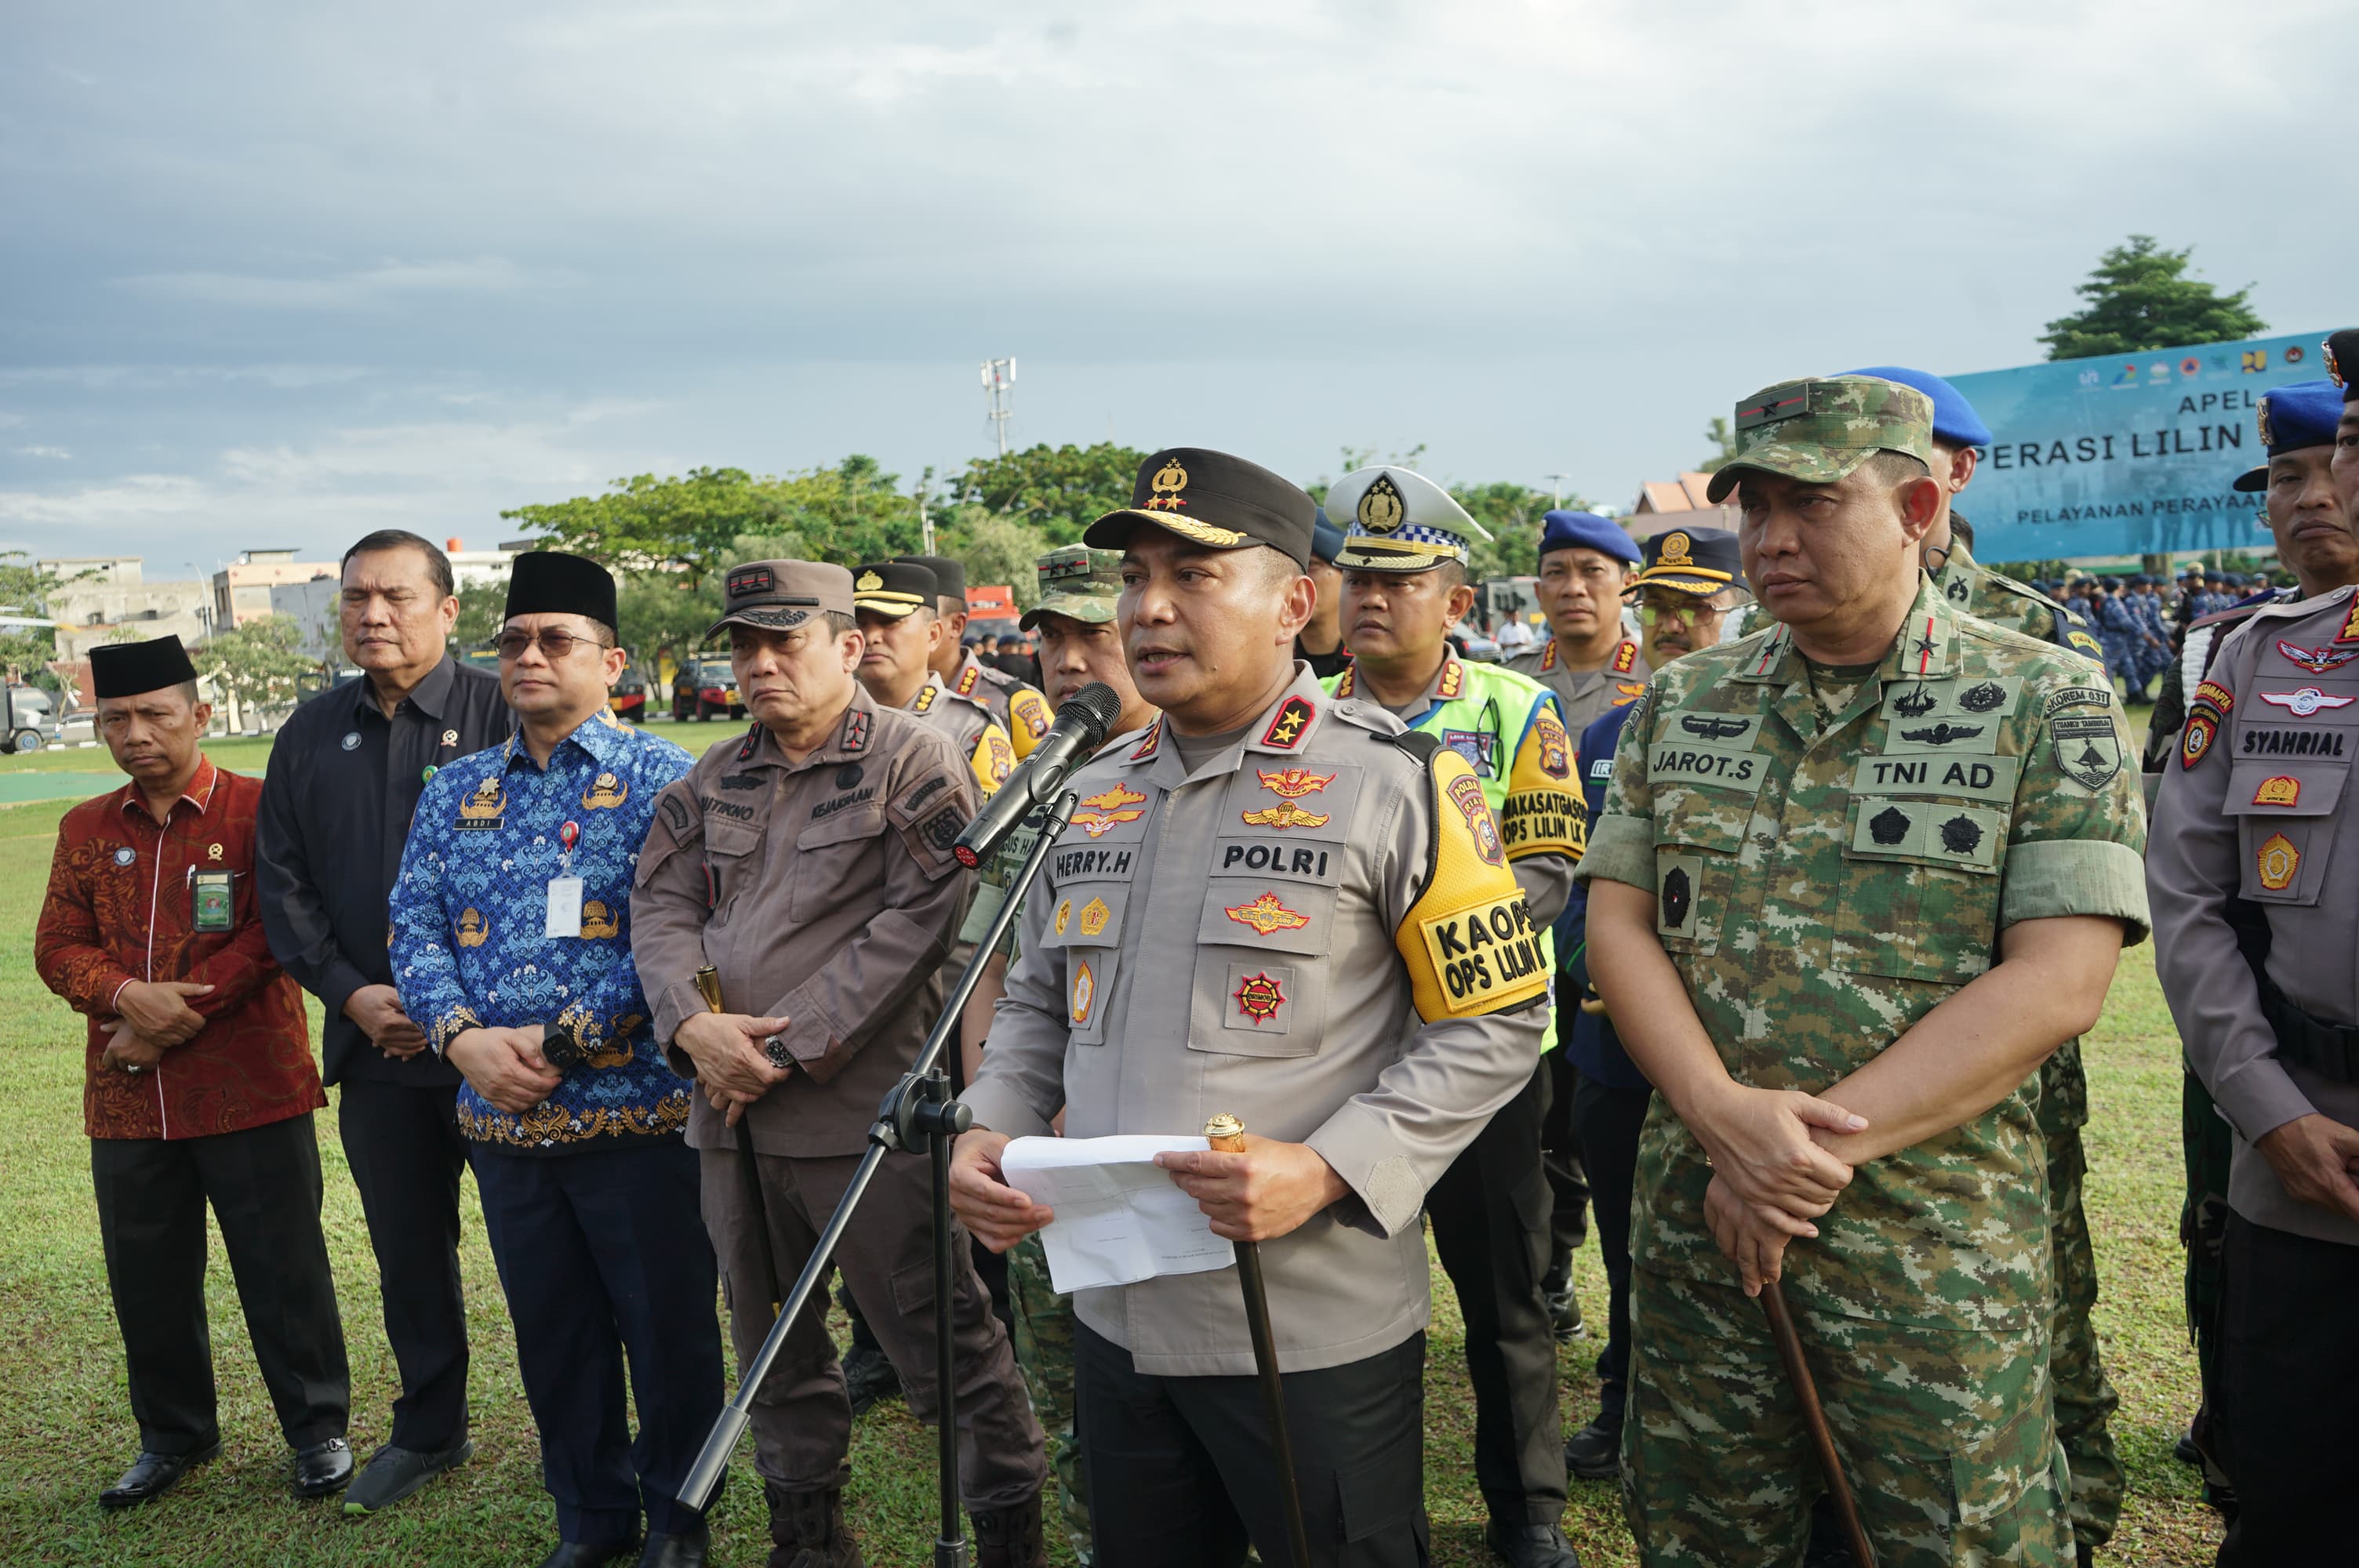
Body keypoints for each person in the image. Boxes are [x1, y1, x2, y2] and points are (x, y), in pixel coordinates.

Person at [949, 446, 1553, 1568]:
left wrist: (1328, 1168)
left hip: (1304, 1321)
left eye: (1194, 576)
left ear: (1296, 603)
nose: (1150, 608)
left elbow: (1495, 1021)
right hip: (1114, 1305)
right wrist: (992, 1121)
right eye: (1135, 577)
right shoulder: (1093, 790)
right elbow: (1039, 996)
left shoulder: (1401, 782)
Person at [1579, 376, 2148, 1566]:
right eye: (1757, 508)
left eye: (1815, 505)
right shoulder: (1681, 703)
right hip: (1705, 1228)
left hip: (1931, 1245)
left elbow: (2058, 980)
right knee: (1707, 1530)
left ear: (1919, 504)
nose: (1774, 540)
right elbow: (1620, 928)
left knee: (1952, 1537)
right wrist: (1722, 1118)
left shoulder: (2045, 697)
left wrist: (1791, 1159)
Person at [630, 560, 1052, 1568]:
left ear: (848, 645)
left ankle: (1008, 1530)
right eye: (744, 644)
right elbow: (660, 901)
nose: (760, 662)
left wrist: (788, 1040)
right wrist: (694, 1026)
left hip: (857, 1116)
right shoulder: (715, 771)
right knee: (767, 1338)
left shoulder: (914, 761)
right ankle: (807, 1537)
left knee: (939, 1332)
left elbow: (928, 918)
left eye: (786, 640)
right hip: (728, 1113)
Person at [1832, 361, 2125, 1566]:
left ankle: (2072, 1498)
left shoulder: (2034, 642)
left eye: (1942, 449)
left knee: (2032, 1300)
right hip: (1819, 1038)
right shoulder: (1781, 636)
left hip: (1984, 1066)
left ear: (1953, 470)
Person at [388, 551, 722, 1568]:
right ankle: (590, 1519)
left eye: (556, 639)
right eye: (515, 640)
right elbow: (414, 929)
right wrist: (461, 1039)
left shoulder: (669, 779)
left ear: (611, 660)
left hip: (639, 1118)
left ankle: (677, 1518)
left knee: (667, 1336)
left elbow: (690, 936)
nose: (529, 656)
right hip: (506, 1122)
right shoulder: (457, 790)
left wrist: (559, 1040)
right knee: (556, 1338)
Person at [1321, 463, 1587, 1566]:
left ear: (1458, 602)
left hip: (1484, 1055)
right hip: (1338, 1054)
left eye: (1401, 580)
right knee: (1337, 1296)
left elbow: (1548, 873)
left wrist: (1402, 931)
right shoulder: (1304, 713)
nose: (1373, 598)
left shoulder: (1516, 709)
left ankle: (1527, 1507)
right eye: (1358, 579)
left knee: (1505, 1292)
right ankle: (1354, 1498)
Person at [35, 635, 354, 1508]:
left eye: (154, 714)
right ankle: (173, 1433)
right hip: (127, 1093)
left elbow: (277, 929)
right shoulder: (86, 826)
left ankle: (318, 1428)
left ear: (199, 716)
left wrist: (171, 1015)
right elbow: (56, 944)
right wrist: (128, 996)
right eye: (115, 718)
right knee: (147, 1274)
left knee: (283, 1267)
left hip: (250, 1083)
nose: (135, 733)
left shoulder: (259, 809)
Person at [255, 529, 511, 1516]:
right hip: (376, 1044)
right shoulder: (311, 730)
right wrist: (351, 991)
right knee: (407, 1248)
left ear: (447, 610)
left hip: (500, 1047)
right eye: (357, 597)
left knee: (545, 1245)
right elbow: (284, 881)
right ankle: (429, 1426)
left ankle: (579, 1429)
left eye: (396, 596)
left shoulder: (505, 708)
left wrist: (458, 1015)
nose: (373, 614)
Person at [954, 542, 1162, 1568]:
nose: (1071, 658)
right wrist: (988, 1120)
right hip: (1049, 1152)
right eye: (1053, 636)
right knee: (1074, 1399)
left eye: (1095, 632)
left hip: (1183, 1156)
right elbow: (988, 968)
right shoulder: (1037, 788)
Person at [1554, 526, 1747, 1486]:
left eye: (1698, 605)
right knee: (1630, 1245)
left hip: (1735, 1058)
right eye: (1660, 604)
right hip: (1614, 1049)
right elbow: (1581, 893)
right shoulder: (1602, 734)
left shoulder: (1772, 730)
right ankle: (1625, 1397)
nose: (1673, 624)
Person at [856, 561, 1016, 797]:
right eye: (859, 623)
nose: (871, 637)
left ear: (933, 634)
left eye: (889, 622)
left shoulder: (970, 727)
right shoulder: (823, 725)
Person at [899, 553, 1056, 757]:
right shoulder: (873, 701)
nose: (880, 636)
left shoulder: (1012, 702)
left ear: (956, 625)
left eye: (901, 621)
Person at [1507, 510, 1649, 734]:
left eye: (1593, 571)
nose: (1573, 589)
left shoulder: (1660, 678)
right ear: (1539, 593)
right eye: (1555, 572)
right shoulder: (1512, 681)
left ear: (1630, 586)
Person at [1296, 506, 1354, 679]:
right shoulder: (1268, 657)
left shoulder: (1370, 662)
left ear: (1346, 575)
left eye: (1311, 564)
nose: (1298, 579)